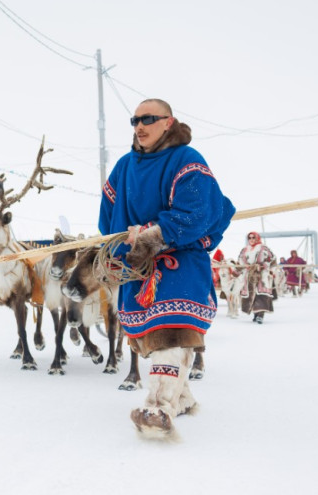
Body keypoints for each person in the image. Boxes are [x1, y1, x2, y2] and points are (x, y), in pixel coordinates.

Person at [99, 98, 235, 439]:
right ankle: (183, 396)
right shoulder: (123, 167)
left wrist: (151, 235)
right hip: (138, 271)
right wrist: (124, 240)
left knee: (171, 335)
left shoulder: (187, 160)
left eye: (148, 119)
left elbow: (197, 213)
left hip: (180, 266)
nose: (139, 126)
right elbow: (107, 220)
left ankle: (157, 407)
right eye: (134, 120)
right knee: (153, 339)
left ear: (168, 122)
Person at [238, 232, 275, 324]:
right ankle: (255, 314)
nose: (251, 239)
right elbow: (240, 260)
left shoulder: (263, 248)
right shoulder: (245, 249)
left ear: (257, 238)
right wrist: (244, 266)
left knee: (261, 295)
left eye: (253, 237)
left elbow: (272, 259)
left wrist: (263, 266)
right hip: (249, 275)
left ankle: (260, 315)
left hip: (262, 275)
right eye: (249, 238)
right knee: (252, 295)